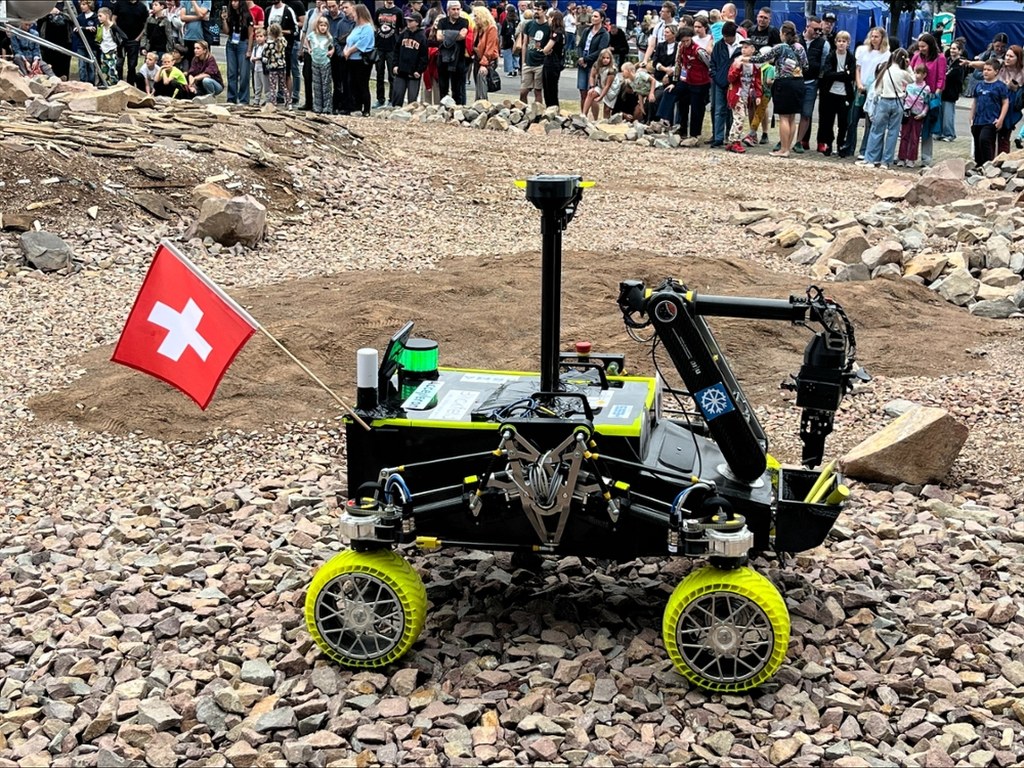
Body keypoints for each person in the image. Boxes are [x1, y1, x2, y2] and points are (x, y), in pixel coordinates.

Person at [748, 20, 806, 157]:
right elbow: (806, 65)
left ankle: (783, 149)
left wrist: (746, 58)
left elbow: (763, 58)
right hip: (798, 82)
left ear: (784, 34)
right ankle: (788, 148)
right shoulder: (800, 47)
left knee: (784, 117)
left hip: (784, 83)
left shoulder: (781, 47)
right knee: (792, 118)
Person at [857, 48, 913, 170]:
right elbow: (912, 79)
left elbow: (877, 90)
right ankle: (886, 161)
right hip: (898, 102)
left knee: (877, 131)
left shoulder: (885, 71)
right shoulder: (902, 72)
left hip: (884, 101)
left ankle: (871, 159)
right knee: (893, 133)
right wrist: (908, 66)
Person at [846, 26, 890, 159]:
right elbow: (858, 68)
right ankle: (849, 147)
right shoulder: (863, 50)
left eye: (877, 37)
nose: (874, 39)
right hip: (860, 87)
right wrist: (859, 83)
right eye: (872, 36)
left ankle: (864, 150)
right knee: (852, 119)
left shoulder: (886, 54)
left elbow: (883, 73)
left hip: (874, 90)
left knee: (869, 121)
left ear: (882, 38)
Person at [909, 32, 944, 167]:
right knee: (911, 126)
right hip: (914, 95)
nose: (921, 49)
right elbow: (910, 72)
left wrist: (937, 93)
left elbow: (941, 78)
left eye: (924, 46)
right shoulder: (917, 56)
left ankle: (926, 158)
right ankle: (908, 155)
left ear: (930, 45)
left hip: (930, 95)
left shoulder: (940, 58)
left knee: (927, 128)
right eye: (919, 46)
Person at [817, 30, 854, 157]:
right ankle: (828, 143)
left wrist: (841, 75)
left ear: (848, 43)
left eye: (844, 41)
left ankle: (840, 144)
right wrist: (844, 74)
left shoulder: (851, 58)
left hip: (844, 94)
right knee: (828, 121)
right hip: (830, 93)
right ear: (835, 42)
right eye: (839, 41)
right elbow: (827, 74)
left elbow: (851, 75)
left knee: (843, 122)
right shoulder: (831, 56)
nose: (841, 44)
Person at [796, 16, 829, 154]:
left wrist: (818, 78)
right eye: (815, 29)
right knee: (789, 113)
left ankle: (799, 141)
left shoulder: (824, 44)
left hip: (811, 82)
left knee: (806, 113)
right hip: (795, 81)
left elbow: (823, 64)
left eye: (820, 30)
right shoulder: (797, 40)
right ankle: (786, 140)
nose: (818, 32)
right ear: (807, 27)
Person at [725, 37, 762, 153]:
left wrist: (758, 95)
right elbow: (730, 78)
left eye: (746, 47)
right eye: (742, 47)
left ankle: (731, 140)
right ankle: (735, 141)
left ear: (752, 49)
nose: (743, 50)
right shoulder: (737, 61)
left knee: (738, 118)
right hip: (737, 94)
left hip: (746, 95)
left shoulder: (755, 64)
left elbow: (757, 81)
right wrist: (736, 68)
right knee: (740, 117)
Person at [709, 21, 742, 148]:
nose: (725, 39)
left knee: (733, 110)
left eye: (727, 37)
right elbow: (713, 62)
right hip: (719, 82)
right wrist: (715, 76)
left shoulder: (741, 46)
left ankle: (730, 135)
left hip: (734, 83)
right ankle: (718, 137)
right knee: (719, 110)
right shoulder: (719, 45)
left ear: (733, 36)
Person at [971, 60, 1008, 166]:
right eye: (984, 69)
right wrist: (971, 117)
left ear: (996, 71)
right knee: (977, 143)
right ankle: (978, 165)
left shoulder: (1000, 86)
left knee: (984, 140)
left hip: (991, 120)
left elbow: (1005, 103)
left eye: (989, 70)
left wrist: (1001, 119)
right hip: (978, 120)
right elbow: (975, 102)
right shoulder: (979, 85)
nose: (985, 72)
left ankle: (988, 164)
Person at [896, 63, 931, 168]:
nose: (916, 75)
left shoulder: (926, 88)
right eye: (915, 72)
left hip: (918, 115)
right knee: (904, 135)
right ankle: (901, 157)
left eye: (919, 73)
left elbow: (926, 103)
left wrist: (923, 114)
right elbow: (904, 98)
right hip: (907, 113)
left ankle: (911, 158)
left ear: (924, 74)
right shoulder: (909, 85)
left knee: (915, 138)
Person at [343, 2, 376, 115]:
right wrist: (345, 50)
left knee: (362, 84)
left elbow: (361, 44)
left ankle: (366, 109)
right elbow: (349, 40)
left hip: (361, 60)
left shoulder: (368, 28)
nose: (352, 15)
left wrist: (349, 51)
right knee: (352, 84)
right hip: (351, 60)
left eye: (354, 13)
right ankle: (356, 106)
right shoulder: (356, 27)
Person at [221, 0, 254, 104]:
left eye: (236, 1)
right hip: (231, 43)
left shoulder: (248, 16)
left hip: (243, 43)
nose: (233, 3)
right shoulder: (230, 15)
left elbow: (251, 34)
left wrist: (249, 50)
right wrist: (224, 20)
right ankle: (231, 98)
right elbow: (226, 31)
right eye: (232, 1)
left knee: (244, 73)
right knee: (231, 73)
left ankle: (243, 99)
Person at [391, 11, 427, 106]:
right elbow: (396, 51)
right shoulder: (403, 34)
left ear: (417, 23)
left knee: (412, 100)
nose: (408, 23)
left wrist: (419, 70)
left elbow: (424, 57)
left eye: (411, 21)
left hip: (413, 73)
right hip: (401, 71)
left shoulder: (422, 37)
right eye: (407, 20)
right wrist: (395, 65)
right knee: (397, 95)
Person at [575, 10, 609, 113]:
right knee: (582, 91)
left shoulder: (604, 34)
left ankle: (594, 117)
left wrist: (586, 59)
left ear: (602, 19)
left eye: (596, 16)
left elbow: (600, 51)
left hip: (594, 64)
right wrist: (581, 58)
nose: (593, 18)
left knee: (592, 92)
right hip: (583, 61)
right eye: (593, 16)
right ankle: (583, 114)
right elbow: (580, 46)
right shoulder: (587, 31)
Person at [374, 0, 405, 107]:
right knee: (379, 74)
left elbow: (402, 27)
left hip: (392, 47)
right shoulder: (379, 11)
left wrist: (398, 39)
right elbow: (376, 25)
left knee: (392, 75)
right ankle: (380, 99)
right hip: (380, 46)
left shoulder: (398, 11)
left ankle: (392, 99)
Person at [520, 3, 550, 105]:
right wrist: (523, 62)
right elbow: (525, 44)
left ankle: (538, 111)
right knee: (523, 91)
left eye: (538, 9)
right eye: (534, 9)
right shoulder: (529, 24)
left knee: (538, 91)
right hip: (528, 62)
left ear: (545, 11)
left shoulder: (548, 27)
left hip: (540, 63)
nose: (536, 11)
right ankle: (523, 110)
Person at [112, 0, 148, 82]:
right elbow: (113, 19)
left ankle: (130, 84)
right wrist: (118, 33)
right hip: (121, 41)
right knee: (119, 64)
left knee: (132, 65)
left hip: (134, 40)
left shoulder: (142, 7)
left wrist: (138, 38)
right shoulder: (119, 3)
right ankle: (118, 82)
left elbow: (145, 25)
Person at [305, 14, 334, 113]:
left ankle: (327, 107)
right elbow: (306, 40)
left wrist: (331, 51)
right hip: (315, 62)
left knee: (326, 85)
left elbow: (332, 46)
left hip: (325, 62)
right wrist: (309, 49)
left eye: (325, 26)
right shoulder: (312, 35)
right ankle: (317, 106)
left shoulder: (329, 37)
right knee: (317, 85)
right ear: (317, 26)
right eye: (321, 25)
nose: (323, 27)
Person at [940, 40, 967, 142]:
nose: (952, 50)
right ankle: (941, 133)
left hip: (951, 92)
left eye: (955, 49)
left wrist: (946, 75)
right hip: (943, 91)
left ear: (960, 51)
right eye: (951, 48)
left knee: (948, 115)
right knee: (941, 114)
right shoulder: (947, 61)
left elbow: (954, 76)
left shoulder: (961, 63)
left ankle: (949, 134)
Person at [471, 6, 498, 102]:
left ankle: (483, 104)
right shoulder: (476, 29)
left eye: (476, 16)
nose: (474, 18)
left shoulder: (491, 28)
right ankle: (478, 102)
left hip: (488, 59)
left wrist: (484, 64)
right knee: (477, 84)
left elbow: (490, 48)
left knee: (482, 83)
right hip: (477, 58)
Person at [39, 4, 72, 81]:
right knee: (49, 62)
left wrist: (60, 13)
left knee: (63, 63)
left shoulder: (68, 4)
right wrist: (48, 13)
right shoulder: (46, 3)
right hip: (48, 40)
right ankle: (50, 80)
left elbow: (74, 18)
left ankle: (64, 81)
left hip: (64, 40)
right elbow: (38, 18)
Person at [583, 47, 615, 119]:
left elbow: (607, 85)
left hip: (611, 89)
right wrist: (592, 87)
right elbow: (592, 76)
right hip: (601, 86)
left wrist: (601, 97)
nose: (605, 60)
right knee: (591, 93)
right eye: (603, 58)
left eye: (607, 58)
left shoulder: (612, 70)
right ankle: (584, 115)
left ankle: (606, 121)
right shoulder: (596, 65)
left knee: (607, 110)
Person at [541, 9, 565, 108]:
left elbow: (546, 49)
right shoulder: (561, 31)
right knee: (549, 88)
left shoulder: (557, 32)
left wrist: (544, 50)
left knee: (550, 88)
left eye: (549, 18)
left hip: (552, 62)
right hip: (555, 61)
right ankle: (551, 106)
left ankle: (552, 107)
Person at [96, 8, 126, 84]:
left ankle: (113, 84)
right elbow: (98, 38)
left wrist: (118, 45)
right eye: (98, 16)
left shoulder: (113, 27)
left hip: (112, 51)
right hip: (103, 51)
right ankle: (104, 83)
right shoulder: (100, 26)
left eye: (100, 16)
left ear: (107, 16)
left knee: (112, 70)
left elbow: (124, 37)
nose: (98, 18)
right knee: (104, 70)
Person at [180, 0, 210, 71]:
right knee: (189, 63)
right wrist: (199, 18)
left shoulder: (205, 1)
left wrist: (193, 2)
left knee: (201, 64)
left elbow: (201, 13)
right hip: (188, 36)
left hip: (201, 37)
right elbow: (182, 17)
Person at [77, 0, 101, 84]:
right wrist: (86, 28)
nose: (82, 6)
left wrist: (82, 28)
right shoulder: (79, 17)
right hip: (81, 45)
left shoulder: (95, 17)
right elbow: (76, 29)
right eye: (81, 4)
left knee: (91, 66)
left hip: (92, 45)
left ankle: (91, 83)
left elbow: (96, 29)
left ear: (89, 5)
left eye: (84, 4)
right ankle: (82, 82)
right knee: (82, 65)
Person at [266, 22, 290, 105]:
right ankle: (288, 101)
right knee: (283, 85)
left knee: (273, 86)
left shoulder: (269, 44)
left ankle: (273, 102)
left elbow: (266, 55)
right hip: (282, 66)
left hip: (273, 67)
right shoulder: (283, 41)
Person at [250, 26, 269, 105]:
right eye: (257, 37)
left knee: (266, 85)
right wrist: (253, 59)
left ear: (265, 37)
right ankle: (256, 100)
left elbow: (266, 58)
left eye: (261, 36)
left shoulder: (266, 47)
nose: (259, 38)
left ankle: (268, 100)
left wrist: (259, 58)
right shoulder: (255, 48)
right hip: (256, 68)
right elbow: (252, 58)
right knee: (257, 85)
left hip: (263, 69)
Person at [499, 3, 518, 76]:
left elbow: (502, 32)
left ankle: (510, 70)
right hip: (515, 39)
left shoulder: (506, 20)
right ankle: (515, 68)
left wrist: (501, 42)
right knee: (515, 54)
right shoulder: (517, 19)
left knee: (508, 55)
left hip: (507, 39)